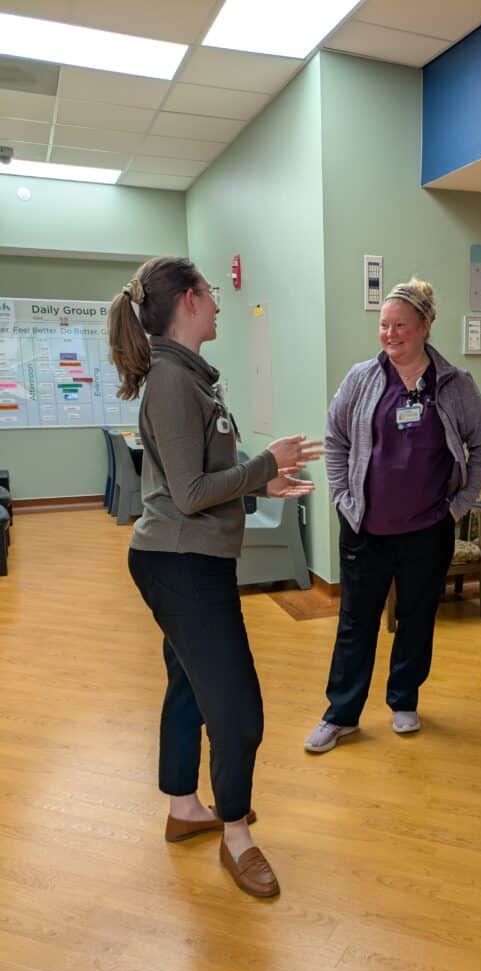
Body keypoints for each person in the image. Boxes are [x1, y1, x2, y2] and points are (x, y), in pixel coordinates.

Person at [108, 257, 322, 898]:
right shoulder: (173, 381)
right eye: (213, 292)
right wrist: (264, 463)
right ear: (189, 301)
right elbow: (192, 491)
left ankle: (183, 808)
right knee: (238, 709)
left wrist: (264, 480)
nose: (221, 302)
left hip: (189, 559)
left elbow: (196, 486)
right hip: (180, 566)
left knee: (189, 685)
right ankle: (237, 836)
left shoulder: (192, 378)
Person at [304, 277, 481, 754]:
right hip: (365, 528)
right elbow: (335, 439)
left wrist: (460, 505)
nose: (390, 335)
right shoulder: (362, 379)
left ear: (426, 327)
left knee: (416, 618)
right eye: (384, 326)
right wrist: (342, 499)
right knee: (355, 622)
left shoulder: (454, 385)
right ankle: (341, 714)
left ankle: (404, 700)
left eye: (401, 326)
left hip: (428, 531)